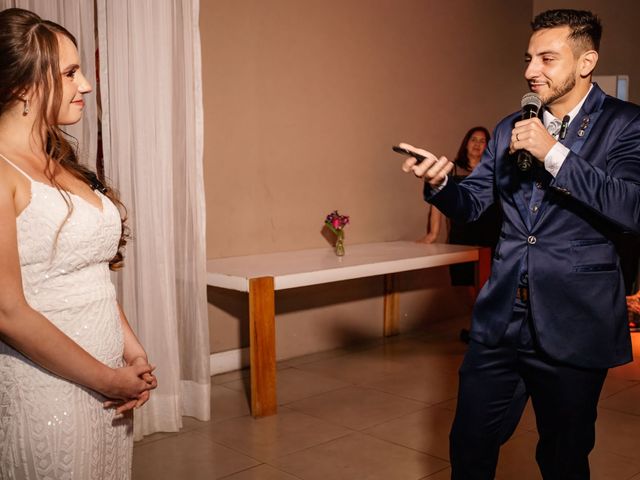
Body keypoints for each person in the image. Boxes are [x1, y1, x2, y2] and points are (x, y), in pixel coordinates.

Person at [399, 9, 640, 479]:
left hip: (575, 319)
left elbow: (632, 207)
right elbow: (471, 205)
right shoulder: (510, 126)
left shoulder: (626, 124)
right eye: (529, 58)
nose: (531, 70)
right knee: (468, 445)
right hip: (501, 318)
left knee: (563, 458)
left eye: (547, 59)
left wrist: (554, 153)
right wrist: (441, 182)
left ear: (586, 61)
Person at [0, 8, 157, 479]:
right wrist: (107, 378)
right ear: (21, 84)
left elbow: (92, 278)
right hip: (48, 390)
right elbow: (7, 310)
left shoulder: (61, 163)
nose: (86, 85)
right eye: (69, 73)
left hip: (108, 388)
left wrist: (133, 354)